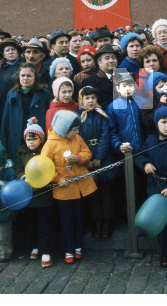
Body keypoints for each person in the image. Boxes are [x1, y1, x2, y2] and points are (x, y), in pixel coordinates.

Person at [134, 106, 167, 268]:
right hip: (156, 187)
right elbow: (140, 155)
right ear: (157, 124)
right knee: (161, 223)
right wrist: (145, 163)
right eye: (163, 122)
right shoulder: (150, 140)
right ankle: (164, 254)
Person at [45, 110, 96, 264]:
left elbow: (87, 152)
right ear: (64, 130)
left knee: (79, 218)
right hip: (63, 190)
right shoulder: (51, 144)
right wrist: (57, 179)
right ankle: (68, 249)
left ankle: (78, 247)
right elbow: (45, 166)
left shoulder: (77, 139)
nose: (77, 132)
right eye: (74, 130)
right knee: (67, 221)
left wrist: (78, 158)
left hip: (79, 187)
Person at [77, 86, 117, 239]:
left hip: (104, 159)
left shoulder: (102, 116)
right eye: (87, 98)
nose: (90, 101)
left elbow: (105, 137)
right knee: (92, 193)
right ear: (81, 101)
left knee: (105, 193)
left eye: (93, 98)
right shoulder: (79, 117)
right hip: (87, 160)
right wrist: (87, 159)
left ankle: (107, 222)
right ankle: (96, 222)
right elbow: (78, 139)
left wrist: (99, 157)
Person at [15, 118, 53, 267]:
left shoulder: (45, 152)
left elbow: (49, 170)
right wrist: (25, 180)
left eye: (34, 139)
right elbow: (18, 170)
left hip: (43, 196)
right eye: (28, 139)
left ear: (41, 139)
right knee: (30, 224)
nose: (31, 142)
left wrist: (40, 183)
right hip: (28, 195)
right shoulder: (21, 152)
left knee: (44, 225)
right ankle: (34, 246)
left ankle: (46, 251)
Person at [0, 63, 53, 163]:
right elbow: (5, 120)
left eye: (29, 76)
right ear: (18, 77)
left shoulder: (44, 94)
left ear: (35, 77)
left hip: (37, 138)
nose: (25, 78)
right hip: (17, 138)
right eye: (23, 75)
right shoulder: (12, 94)